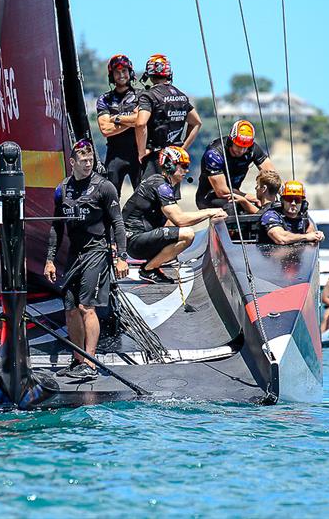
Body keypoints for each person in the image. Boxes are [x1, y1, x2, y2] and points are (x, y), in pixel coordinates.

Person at [45, 139, 129, 380]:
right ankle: (78, 359)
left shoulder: (104, 187)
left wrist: (121, 256)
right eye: (83, 161)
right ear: (72, 162)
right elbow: (56, 227)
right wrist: (50, 260)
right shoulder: (62, 189)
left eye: (90, 160)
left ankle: (91, 363)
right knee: (70, 309)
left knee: (86, 307)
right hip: (74, 255)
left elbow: (118, 223)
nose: (87, 164)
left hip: (97, 251)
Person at [122, 146, 226, 283]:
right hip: (134, 241)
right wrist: (211, 211)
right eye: (183, 166)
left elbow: (172, 222)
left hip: (138, 238)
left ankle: (153, 265)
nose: (186, 170)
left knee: (178, 233)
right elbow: (180, 220)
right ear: (170, 166)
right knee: (187, 234)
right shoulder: (160, 185)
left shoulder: (163, 183)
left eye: (187, 166)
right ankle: (148, 269)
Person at [134, 54, 202, 180]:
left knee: (150, 196)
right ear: (169, 73)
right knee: (169, 197)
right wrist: (182, 149)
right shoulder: (181, 96)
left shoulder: (149, 96)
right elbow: (197, 122)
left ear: (148, 74)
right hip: (174, 159)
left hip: (155, 157)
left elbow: (140, 124)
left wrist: (142, 153)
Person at [195, 120, 276, 210]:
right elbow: (222, 192)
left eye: (245, 147)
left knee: (269, 206)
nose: (241, 150)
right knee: (232, 207)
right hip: (210, 195)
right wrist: (247, 197)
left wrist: (273, 196)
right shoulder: (214, 153)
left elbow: (272, 176)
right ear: (231, 141)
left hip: (236, 193)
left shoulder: (252, 148)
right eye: (238, 146)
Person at [97, 54, 140, 199]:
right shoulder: (104, 99)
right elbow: (105, 129)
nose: (121, 75)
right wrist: (132, 120)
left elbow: (142, 121)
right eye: (117, 72)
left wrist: (117, 119)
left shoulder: (142, 96)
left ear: (130, 73)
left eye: (124, 71)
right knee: (110, 199)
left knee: (144, 199)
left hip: (138, 154)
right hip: (115, 155)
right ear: (111, 75)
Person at [258, 180, 324, 245]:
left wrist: (318, 235)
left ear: (302, 202)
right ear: (282, 200)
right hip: (272, 255)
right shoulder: (271, 215)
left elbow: (311, 233)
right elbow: (281, 239)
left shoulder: (303, 217)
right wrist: (306, 237)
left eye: (297, 199)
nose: (293, 203)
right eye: (289, 199)